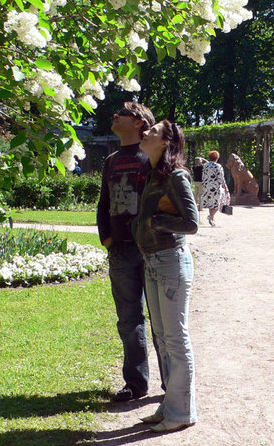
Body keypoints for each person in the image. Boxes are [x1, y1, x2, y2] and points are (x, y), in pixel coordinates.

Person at [133, 120, 199, 433]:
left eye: (153, 132)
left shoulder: (177, 175)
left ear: (165, 142)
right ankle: (169, 405)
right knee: (162, 339)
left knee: (175, 338)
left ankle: (182, 412)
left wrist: (154, 223)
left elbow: (192, 222)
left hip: (171, 261)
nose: (145, 132)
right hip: (153, 262)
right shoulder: (153, 174)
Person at [96, 101, 162, 402]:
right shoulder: (110, 160)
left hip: (150, 249)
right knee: (128, 319)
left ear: (138, 122)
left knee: (161, 319)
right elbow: (104, 202)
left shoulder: (150, 156)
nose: (115, 115)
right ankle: (136, 384)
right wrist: (106, 238)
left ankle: (171, 384)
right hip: (120, 251)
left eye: (121, 112)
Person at [200, 151, 229, 227]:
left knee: (210, 202)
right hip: (215, 187)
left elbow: (203, 176)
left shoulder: (205, 165)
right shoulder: (218, 166)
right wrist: (224, 185)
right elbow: (221, 177)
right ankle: (211, 216)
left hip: (207, 186)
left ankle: (212, 219)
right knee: (217, 203)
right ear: (217, 157)